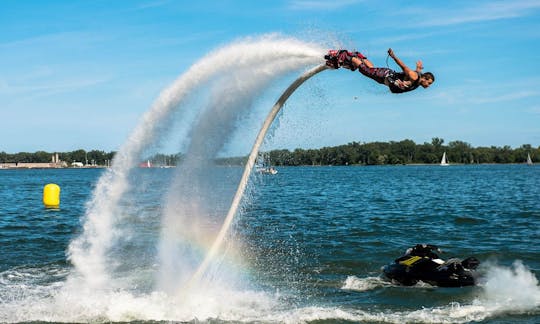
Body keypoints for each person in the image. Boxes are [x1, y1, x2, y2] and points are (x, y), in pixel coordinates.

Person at [325, 48, 435, 94]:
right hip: (386, 76)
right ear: (424, 78)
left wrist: (418, 69)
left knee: (369, 69)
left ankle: (359, 57)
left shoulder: (417, 77)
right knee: (365, 70)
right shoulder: (415, 77)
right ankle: (345, 56)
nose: (428, 85)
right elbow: (405, 68)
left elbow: (415, 74)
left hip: (384, 78)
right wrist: (393, 56)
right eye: (429, 83)